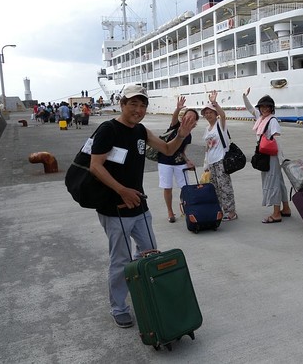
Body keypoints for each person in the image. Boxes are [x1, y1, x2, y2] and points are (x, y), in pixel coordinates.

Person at [89, 84, 195, 328]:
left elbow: (167, 149)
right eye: (133, 104)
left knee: (148, 252)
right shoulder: (108, 129)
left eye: (142, 105)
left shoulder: (141, 131)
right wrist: (122, 190)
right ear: (122, 104)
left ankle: (139, 288)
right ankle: (119, 307)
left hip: (139, 207)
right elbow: (96, 166)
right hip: (114, 208)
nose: (138, 109)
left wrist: (181, 133)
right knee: (120, 259)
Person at [243, 89, 291, 223]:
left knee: (273, 182)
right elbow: (250, 109)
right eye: (262, 107)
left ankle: (276, 213)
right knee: (279, 182)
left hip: (272, 156)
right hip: (267, 155)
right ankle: (286, 208)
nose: (264, 109)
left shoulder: (272, 121)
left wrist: (281, 158)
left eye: (267, 106)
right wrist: (244, 96)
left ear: (271, 108)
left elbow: (277, 140)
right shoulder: (261, 118)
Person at [158, 97, 199, 223]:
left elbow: (182, 151)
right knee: (167, 187)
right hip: (165, 161)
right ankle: (170, 211)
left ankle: (187, 208)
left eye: (192, 118)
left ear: (195, 122)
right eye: (187, 116)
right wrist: (178, 108)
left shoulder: (189, 135)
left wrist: (187, 160)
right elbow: (174, 117)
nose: (189, 119)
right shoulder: (175, 126)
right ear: (183, 117)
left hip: (179, 163)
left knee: (185, 187)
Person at [201, 90, 238, 221]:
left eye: (210, 112)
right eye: (206, 113)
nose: (208, 114)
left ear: (215, 114)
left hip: (221, 160)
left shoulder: (220, 125)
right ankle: (220, 210)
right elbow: (207, 148)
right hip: (211, 162)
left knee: (225, 186)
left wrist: (214, 103)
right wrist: (206, 164)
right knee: (215, 188)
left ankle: (231, 212)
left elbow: (223, 115)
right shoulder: (207, 129)